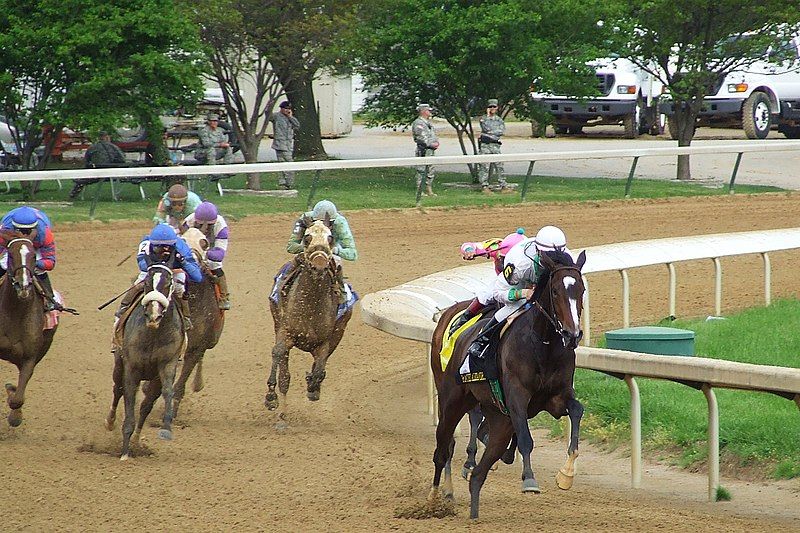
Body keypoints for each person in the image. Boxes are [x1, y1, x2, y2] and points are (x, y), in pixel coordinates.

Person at [466, 226, 570, 391]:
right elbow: (498, 292)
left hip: (545, 286)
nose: (554, 261)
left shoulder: (565, 256)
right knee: (509, 308)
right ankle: (482, 341)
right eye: (549, 258)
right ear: (538, 252)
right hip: (518, 283)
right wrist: (523, 293)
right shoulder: (519, 262)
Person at [114, 224, 202, 332]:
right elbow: (143, 266)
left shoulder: (182, 247)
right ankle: (123, 310)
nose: (163, 250)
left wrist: (183, 261)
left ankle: (186, 316)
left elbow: (197, 276)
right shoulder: (146, 245)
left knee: (179, 288)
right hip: (151, 270)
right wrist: (159, 266)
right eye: (158, 247)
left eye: (168, 247)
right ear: (152, 244)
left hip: (174, 271)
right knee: (138, 285)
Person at [447, 228, 526, 335]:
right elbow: (470, 245)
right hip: (502, 283)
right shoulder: (496, 246)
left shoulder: (530, 251)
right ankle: (464, 318)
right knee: (486, 294)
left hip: (525, 283)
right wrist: (469, 250)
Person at [286, 199, 356, 302]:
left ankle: (341, 293)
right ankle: (284, 285)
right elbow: (291, 246)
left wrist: (333, 249)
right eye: (317, 223)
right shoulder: (304, 219)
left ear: (332, 222)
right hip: (308, 252)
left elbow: (352, 254)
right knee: (296, 261)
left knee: (336, 262)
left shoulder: (340, 223)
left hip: (329, 254)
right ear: (312, 220)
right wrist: (311, 248)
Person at [0, 206, 57, 311]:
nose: (24, 235)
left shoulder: (44, 234)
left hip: (35, 246)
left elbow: (50, 262)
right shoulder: (5, 231)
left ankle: (50, 299)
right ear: (13, 228)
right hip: (13, 244)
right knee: (3, 263)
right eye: (20, 231)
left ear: (35, 229)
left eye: (28, 231)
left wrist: (33, 264)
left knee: (39, 269)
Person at [181, 201, 231, 310]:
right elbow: (180, 240)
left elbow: (220, 254)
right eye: (201, 225)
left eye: (209, 225)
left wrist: (204, 252)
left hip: (210, 250)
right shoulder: (189, 221)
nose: (205, 228)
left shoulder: (221, 227)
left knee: (215, 265)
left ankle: (224, 296)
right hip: (191, 251)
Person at [69, 131, 127, 198]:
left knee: (83, 176)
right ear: (107, 137)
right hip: (114, 173)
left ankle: (73, 194)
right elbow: (122, 159)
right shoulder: (114, 147)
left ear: (98, 138)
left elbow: (87, 161)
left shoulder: (92, 148)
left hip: (97, 174)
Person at [477, 99, 512, 194]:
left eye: (494, 107)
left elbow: (501, 131)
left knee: (499, 166)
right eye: (490, 107)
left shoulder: (499, 120)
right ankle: (484, 186)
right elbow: (485, 127)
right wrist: (488, 120)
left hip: (495, 145)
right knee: (484, 166)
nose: (492, 108)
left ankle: (503, 185)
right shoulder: (483, 119)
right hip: (485, 145)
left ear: (497, 108)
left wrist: (489, 132)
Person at [270, 101, 301, 190]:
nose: (287, 110)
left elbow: (297, 125)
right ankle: (285, 182)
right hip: (280, 144)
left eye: (289, 109)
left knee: (285, 164)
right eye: (286, 108)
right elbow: (268, 116)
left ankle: (287, 183)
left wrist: (290, 116)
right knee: (287, 163)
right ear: (282, 108)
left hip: (288, 144)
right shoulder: (276, 116)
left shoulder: (290, 118)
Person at [412, 103, 439, 197]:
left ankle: (429, 189)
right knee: (421, 170)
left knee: (430, 170)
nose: (430, 112)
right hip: (423, 150)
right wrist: (431, 144)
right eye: (428, 110)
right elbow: (421, 138)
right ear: (423, 111)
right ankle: (420, 190)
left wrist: (436, 142)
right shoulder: (418, 123)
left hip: (430, 150)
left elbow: (432, 135)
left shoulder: (428, 123)